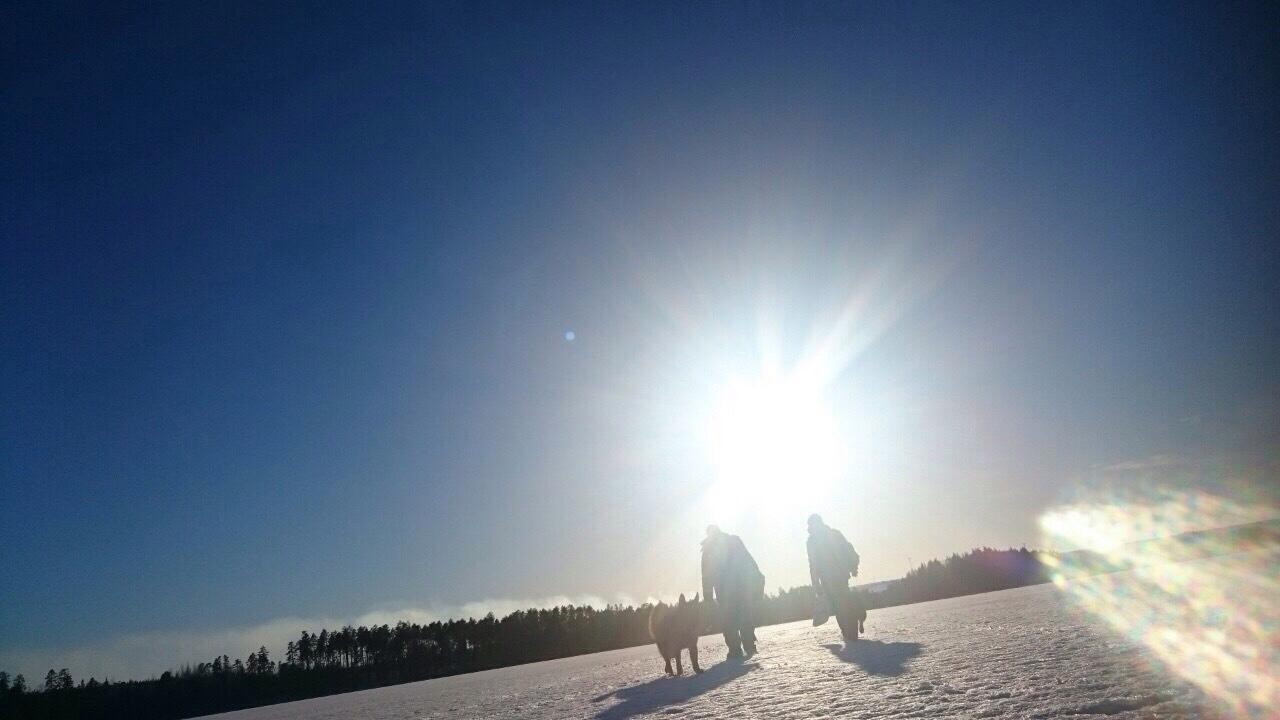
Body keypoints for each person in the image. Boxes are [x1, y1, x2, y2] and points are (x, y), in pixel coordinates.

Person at [701, 524, 766, 658]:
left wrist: (708, 598)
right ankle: (746, 646)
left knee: (730, 618)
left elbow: (706, 576)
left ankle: (737, 648)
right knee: (742, 615)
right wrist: (756, 575)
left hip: (727, 589)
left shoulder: (709, 550)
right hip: (738, 586)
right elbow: (748, 559)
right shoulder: (731, 541)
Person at [806, 513, 866, 641]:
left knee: (838, 604)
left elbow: (813, 564)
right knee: (843, 601)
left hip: (829, 577)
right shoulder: (832, 533)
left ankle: (848, 632)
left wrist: (816, 584)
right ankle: (851, 629)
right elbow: (847, 550)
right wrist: (853, 566)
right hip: (840, 574)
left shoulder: (812, 541)